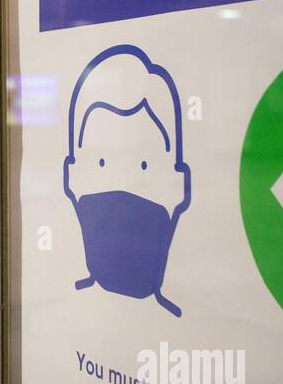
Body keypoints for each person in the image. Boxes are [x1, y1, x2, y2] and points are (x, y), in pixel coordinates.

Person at [63, 44, 191, 317]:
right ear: (70, 177)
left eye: (145, 166)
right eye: (101, 163)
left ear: (180, 186)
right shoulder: (64, 310)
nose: (122, 190)